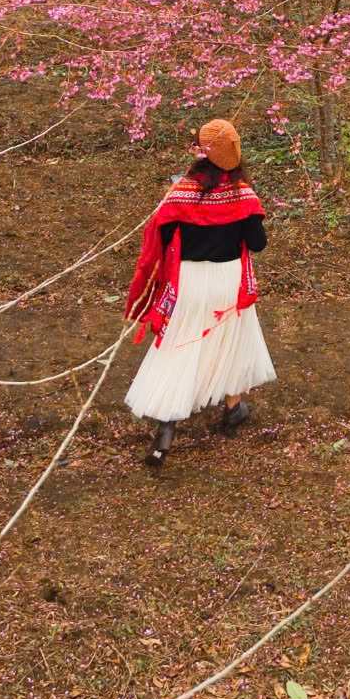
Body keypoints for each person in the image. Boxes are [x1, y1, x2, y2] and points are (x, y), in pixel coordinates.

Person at [124, 119, 277, 465]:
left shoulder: (180, 193)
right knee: (232, 340)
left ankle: (166, 427)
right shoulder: (243, 195)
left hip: (189, 281)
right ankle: (233, 409)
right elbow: (258, 244)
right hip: (227, 281)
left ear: (198, 152)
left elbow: (160, 240)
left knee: (182, 344)